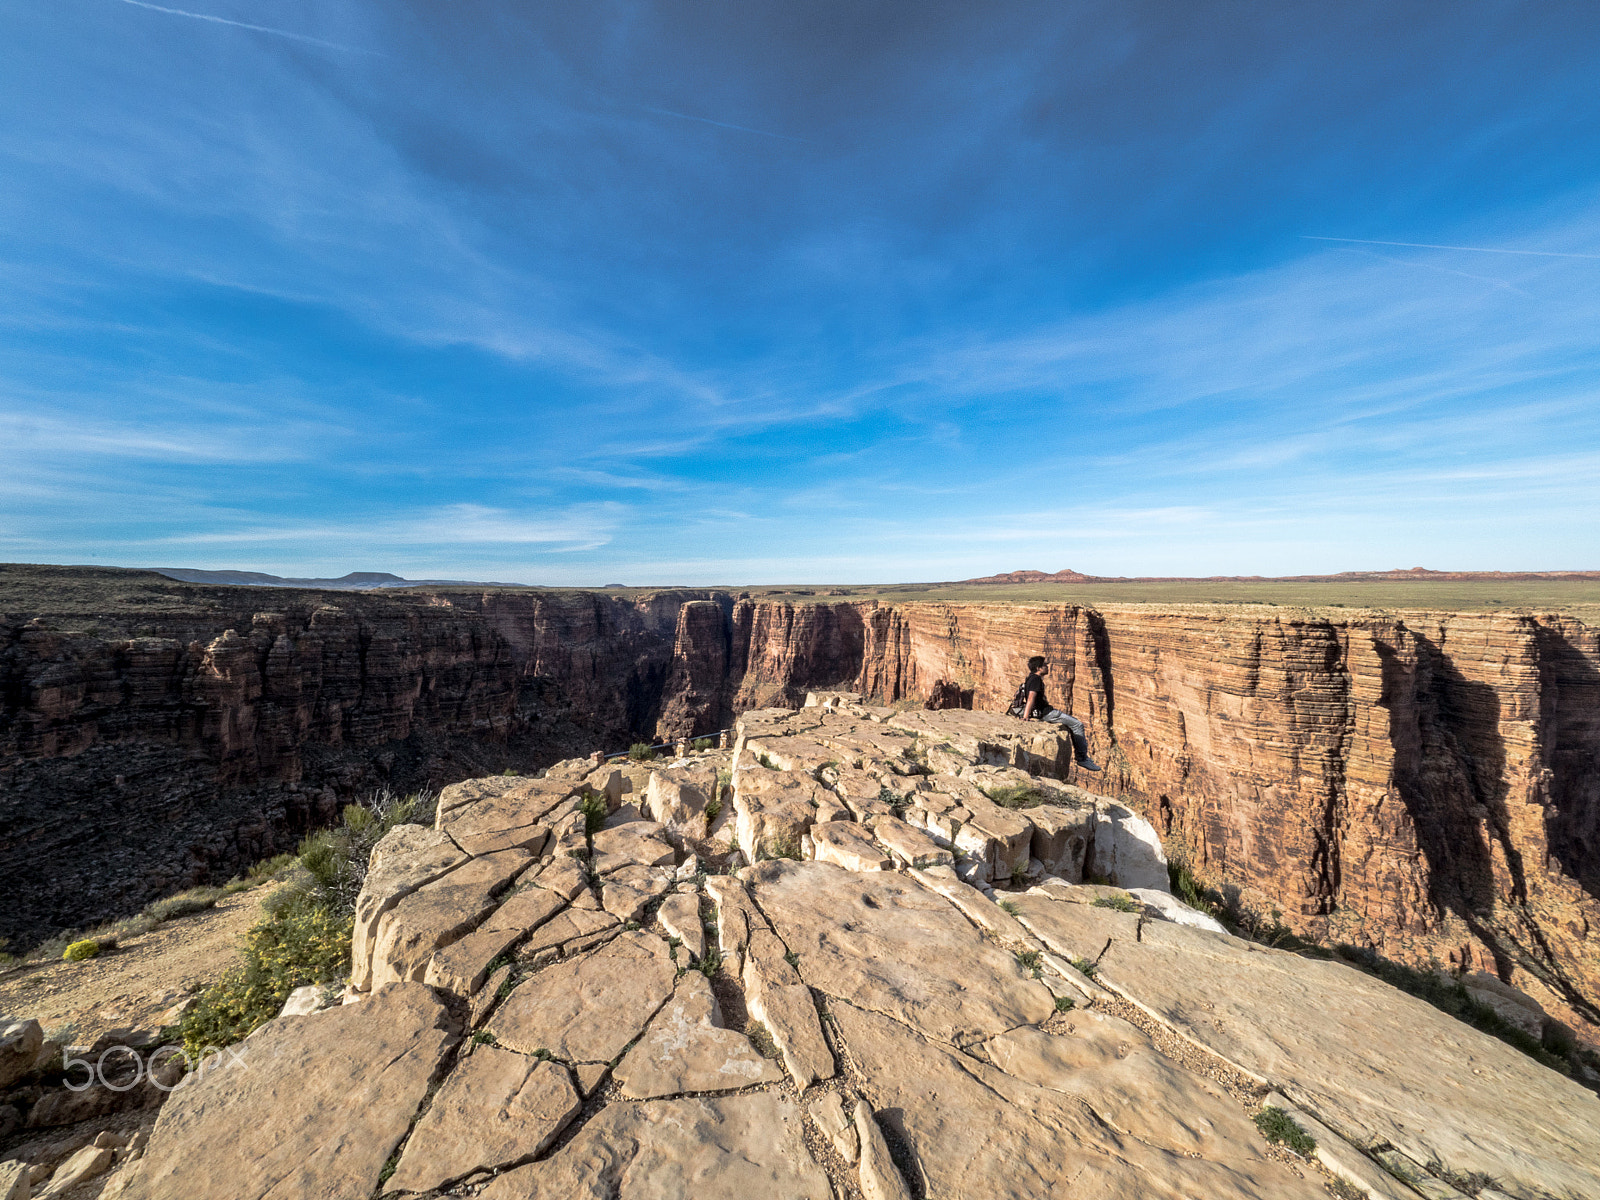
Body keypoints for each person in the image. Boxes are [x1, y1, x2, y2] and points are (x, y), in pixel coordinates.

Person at [1018, 655, 1102, 771]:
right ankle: (1082, 759)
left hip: (1042, 712)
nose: (1047, 667)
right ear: (1039, 668)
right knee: (1077, 724)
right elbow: (1031, 697)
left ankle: (1082, 757)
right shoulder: (1036, 679)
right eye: (1045, 665)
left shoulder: (1030, 678)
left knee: (1072, 724)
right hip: (1046, 713)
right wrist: (1025, 716)